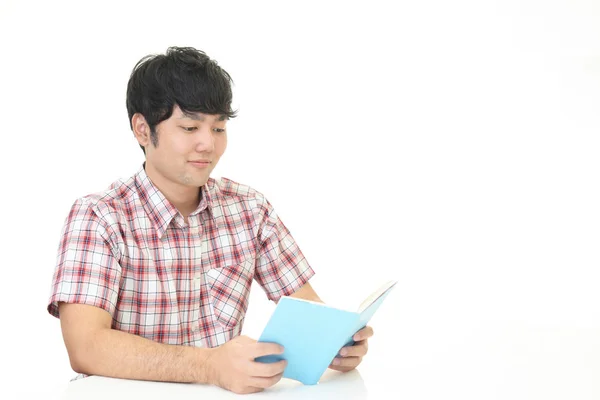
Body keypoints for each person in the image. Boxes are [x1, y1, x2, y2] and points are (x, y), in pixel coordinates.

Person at [46, 46, 374, 395]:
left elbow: (310, 313)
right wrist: (209, 366)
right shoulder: (100, 217)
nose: (208, 144)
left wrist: (335, 344)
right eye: (189, 127)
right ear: (143, 130)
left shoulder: (249, 208)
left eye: (218, 129)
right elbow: (85, 348)